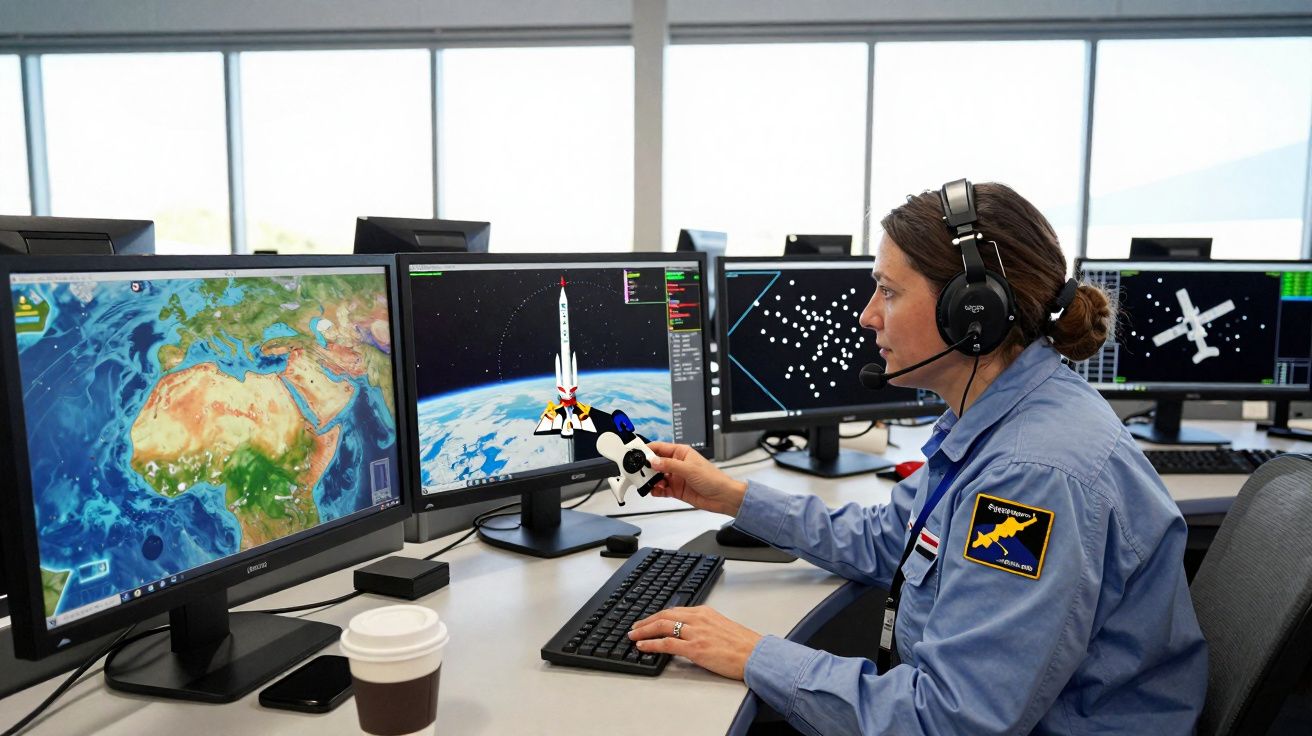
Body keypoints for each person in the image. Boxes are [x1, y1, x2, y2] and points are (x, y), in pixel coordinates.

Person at [627, 181, 1208, 735]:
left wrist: (754, 653)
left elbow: (950, 719)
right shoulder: (998, 418)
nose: (867, 315)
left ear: (971, 313)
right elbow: (893, 540)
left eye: (889, 290)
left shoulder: (1030, 478)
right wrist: (731, 497)